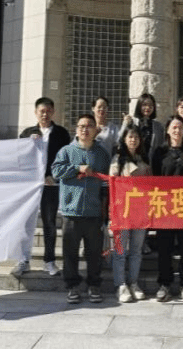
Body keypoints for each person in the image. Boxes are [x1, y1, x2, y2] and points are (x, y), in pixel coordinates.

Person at [51, 113, 111, 304]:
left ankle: (94, 285)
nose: (85, 129)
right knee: (70, 253)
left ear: (96, 130)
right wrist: (78, 168)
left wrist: (105, 209)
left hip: (94, 212)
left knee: (94, 253)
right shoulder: (66, 151)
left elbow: (106, 183)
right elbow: (56, 171)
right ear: (76, 130)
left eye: (89, 126)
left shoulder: (101, 154)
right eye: (81, 126)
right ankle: (72, 286)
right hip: (71, 212)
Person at [13, 97, 70, 278]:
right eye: (41, 111)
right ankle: (23, 260)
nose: (45, 114)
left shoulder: (61, 133)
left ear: (53, 112)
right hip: (30, 186)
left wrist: (53, 175)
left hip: (51, 185)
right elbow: (19, 157)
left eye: (48, 111)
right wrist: (28, 142)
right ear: (36, 112)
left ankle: (49, 261)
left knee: (50, 223)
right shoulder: (27, 133)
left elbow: (66, 158)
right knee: (26, 223)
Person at [150, 114, 183, 302]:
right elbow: (153, 179)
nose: (177, 130)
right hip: (165, 207)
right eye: (173, 127)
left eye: (180, 127)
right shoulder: (159, 152)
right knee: (164, 248)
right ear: (167, 130)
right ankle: (164, 284)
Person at [110, 124, 151, 303]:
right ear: (124, 139)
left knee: (136, 250)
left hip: (141, 211)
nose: (133, 140)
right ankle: (120, 284)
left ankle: (133, 282)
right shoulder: (117, 160)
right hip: (122, 211)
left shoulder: (144, 159)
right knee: (120, 250)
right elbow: (112, 185)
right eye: (130, 137)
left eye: (136, 137)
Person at [120, 93, 164, 162]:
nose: (147, 107)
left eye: (151, 105)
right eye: (144, 105)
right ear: (139, 106)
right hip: (133, 163)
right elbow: (120, 140)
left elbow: (161, 146)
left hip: (152, 164)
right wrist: (125, 124)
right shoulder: (132, 122)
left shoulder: (158, 126)